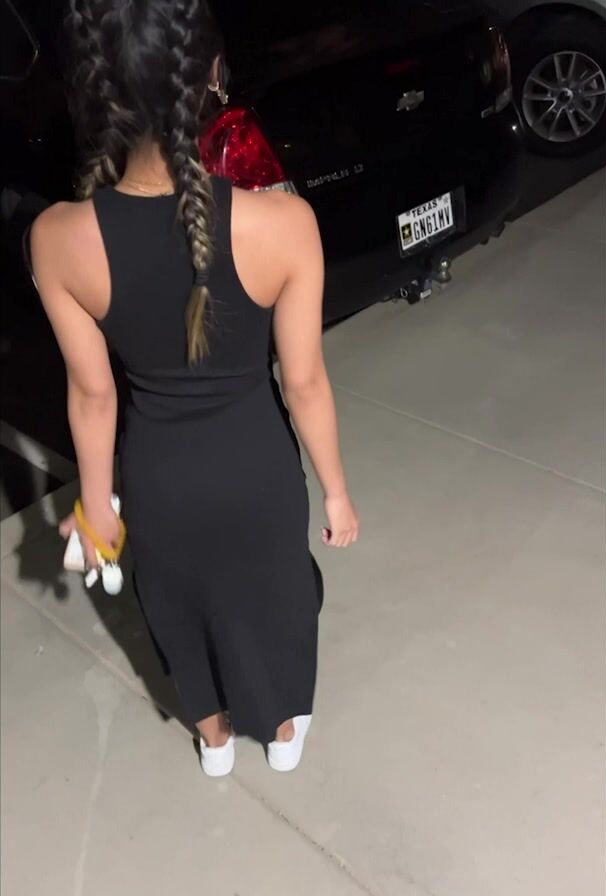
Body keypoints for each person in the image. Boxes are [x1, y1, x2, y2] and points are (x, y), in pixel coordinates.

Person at [30, 0, 358, 776]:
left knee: (177, 606)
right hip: (257, 468)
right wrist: (336, 492)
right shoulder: (285, 224)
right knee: (276, 600)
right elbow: (304, 382)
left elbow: (93, 395)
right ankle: (282, 736)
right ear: (211, 75)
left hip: (158, 476)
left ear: (96, 87)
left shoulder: (56, 238)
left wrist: (99, 508)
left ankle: (213, 743)